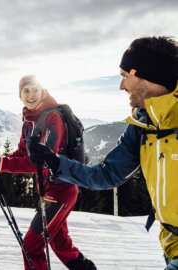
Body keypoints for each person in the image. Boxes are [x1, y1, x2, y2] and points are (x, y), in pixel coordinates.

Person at [28, 36, 178, 270]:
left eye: (124, 76)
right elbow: (107, 175)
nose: (121, 86)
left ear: (144, 75)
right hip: (170, 243)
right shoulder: (143, 127)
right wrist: (54, 162)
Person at [0, 75, 97, 270]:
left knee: (31, 245)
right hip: (49, 191)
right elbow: (23, 153)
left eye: (34, 89)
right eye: (26, 91)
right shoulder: (29, 120)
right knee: (59, 243)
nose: (31, 95)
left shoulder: (52, 118)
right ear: (20, 95)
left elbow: (41, 162)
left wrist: (1, 164)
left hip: (61, 191)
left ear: (43, 90)